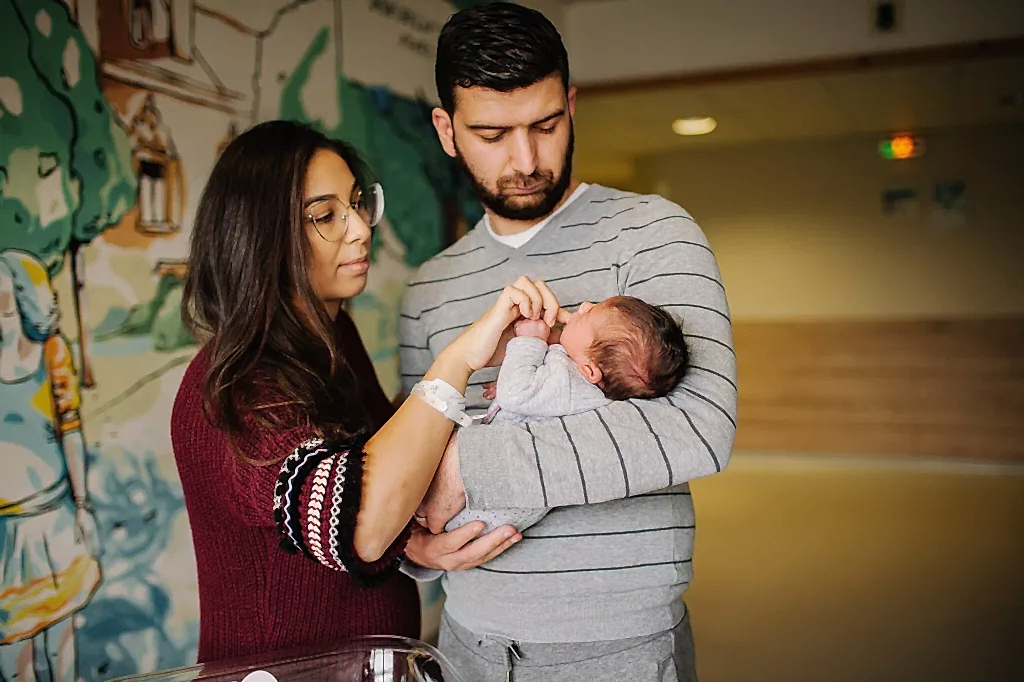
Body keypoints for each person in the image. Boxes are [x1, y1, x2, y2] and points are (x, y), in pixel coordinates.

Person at [398, 3, 738, 680]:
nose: (525, 160)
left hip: (620, 650)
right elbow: (416, 461)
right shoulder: (427, 291)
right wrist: (417, 550)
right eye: (492, 134)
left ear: (571, 106)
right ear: (446, 130)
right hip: (470, 642)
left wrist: (474, 462)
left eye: (546, 125)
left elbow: (697, 429)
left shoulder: (655, 233)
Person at [170, 120, 562, 662]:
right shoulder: (238, 385)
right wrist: (455, 362)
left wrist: (413, 544)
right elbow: (360, 525)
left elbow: (385, 476)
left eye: (357, 204)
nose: (359, 229)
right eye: (325, 216)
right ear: (260, 235)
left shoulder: (333, 339)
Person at [445, 295, 690, 534]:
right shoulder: (589, 391)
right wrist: (521, 379)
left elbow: (516, 393)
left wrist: (529, 342)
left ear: (590, 370)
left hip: (483, 502)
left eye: (588, 315)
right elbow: (537, 395)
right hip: (506, 508)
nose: (583, 306)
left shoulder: (569, 382)